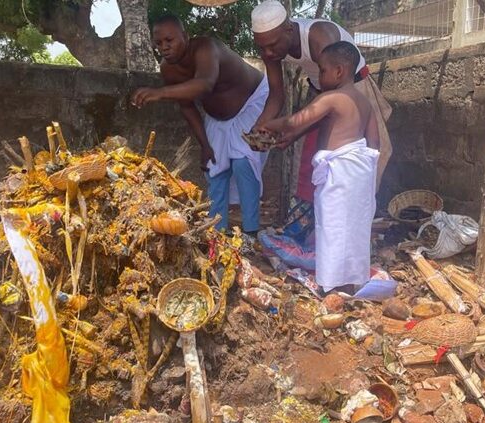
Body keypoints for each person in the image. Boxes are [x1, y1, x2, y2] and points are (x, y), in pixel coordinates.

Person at [131, 15, 269, 235]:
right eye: (159, 43)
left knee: (243, 163)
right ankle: (216, 231)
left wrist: (159, 93)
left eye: (170, 40)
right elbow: (187, 107)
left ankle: (252, 231)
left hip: (251, 103)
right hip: (217, 118)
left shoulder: (207, 48)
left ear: (185, 37)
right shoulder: (168, 69)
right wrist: (204, 145)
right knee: (215, 166)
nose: (164, 47)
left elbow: (204, 85)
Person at [261, 41, 379, 294]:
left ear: (339, 71)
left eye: (322, 70)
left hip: (340, 175)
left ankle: (332, 283)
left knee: (333, 226)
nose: (319, 76)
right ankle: (351, 280)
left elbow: (298, 120)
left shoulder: (332, 98)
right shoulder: (365, 103)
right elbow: (374, 145)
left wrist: (269, 124)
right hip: (358, 173)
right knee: (354, 228)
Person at [251, 0, 392, 201]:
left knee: (367, 153)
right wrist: (259, 128)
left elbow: (335, 88)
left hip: (352, 88)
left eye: (272, 46)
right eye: (262, 47)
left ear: (289, 30)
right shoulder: (269, 44)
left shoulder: (319, 36)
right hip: (322, 91)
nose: (268, 53)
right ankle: (315, 218)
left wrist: (294, 130)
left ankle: (362, 206)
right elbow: (276, 95)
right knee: (317, 158)